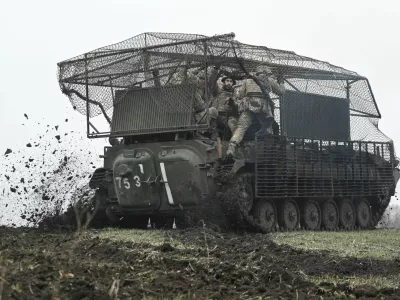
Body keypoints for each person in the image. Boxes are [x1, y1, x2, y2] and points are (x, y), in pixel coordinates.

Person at [226, 65, 285, 157]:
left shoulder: (248, 80)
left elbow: (241, 94)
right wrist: (281, 82)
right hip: (264, 108)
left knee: (241, 128)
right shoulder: (269, 80)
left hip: (249, 105)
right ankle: (271, 152)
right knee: (268, 129)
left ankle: (231, 148)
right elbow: (281, 92)